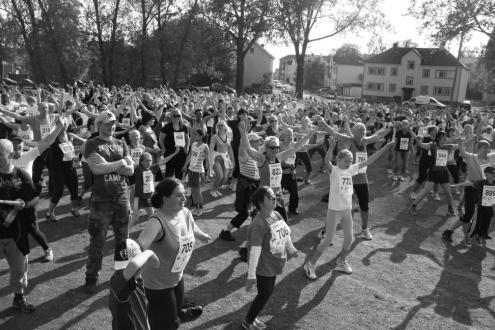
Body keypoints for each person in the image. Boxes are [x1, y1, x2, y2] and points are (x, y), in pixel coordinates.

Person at [304, 137, 395, 278]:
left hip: (347, 210)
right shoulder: (334, 171)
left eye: (350, 161)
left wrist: (384, 148)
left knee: (349, 239)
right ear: (338, 160)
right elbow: (327, 161)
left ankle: (341, 261)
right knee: (327, 240)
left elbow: (368, 161)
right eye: (345, 161)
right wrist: (331, 147)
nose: (348, 163)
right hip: (334, 211)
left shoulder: (351, 170)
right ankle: (310, 265)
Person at [137, 178, 211, 330]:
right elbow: (139, 248)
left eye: (184, 194)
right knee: (166, 324)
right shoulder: (156, 222)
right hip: (157, 284)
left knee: (175, 313)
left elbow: (192, 228)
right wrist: (146, 258)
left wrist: (202, 235)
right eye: (178, 195)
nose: (184, 198)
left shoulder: (185, 213)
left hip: (177, 276)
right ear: (165, 199)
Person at [315, 115, 391, 239]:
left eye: (364, 129)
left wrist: (390, 128)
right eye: (360, 129)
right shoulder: (349, 140)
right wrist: (323, 122)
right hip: (348, 177)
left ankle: (365, 228)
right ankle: (325, 231)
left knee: (365, 204)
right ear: (354, 131)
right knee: (338, 206)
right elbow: (334, 132)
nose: (363, 131)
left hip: (361, 177)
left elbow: (378, 136)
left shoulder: (366, 140)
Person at [83, 110, 134, 293]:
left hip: (122, 197)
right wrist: (120, 163)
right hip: (101, 200)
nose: (112, 126)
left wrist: (109, 166)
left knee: (123, 241)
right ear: (99, 125)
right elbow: (96, 170)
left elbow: (131, 171)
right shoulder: (91, 144)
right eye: (107, 123)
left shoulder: (121, 143)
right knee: (97, 241)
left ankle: (122, 275)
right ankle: (91, 276)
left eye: (113, 123)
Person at [243, 186, 299, 330]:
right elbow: (254, 251)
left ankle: (252, 318)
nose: (274, 199)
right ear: (261, 202)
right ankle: (248, 320)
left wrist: (291, 249)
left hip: (273, 262)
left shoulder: (276, 214)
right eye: (270, 197)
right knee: (264, 293)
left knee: (266, 292)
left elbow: (285, 233)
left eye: (274, 196)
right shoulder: (258, 223)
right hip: (263, 265)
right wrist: (251, 275)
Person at [0, 139, 39, 312]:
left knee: (20, 267)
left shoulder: (22, 175)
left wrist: (24, 204)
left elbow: (34, 198)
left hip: (15, 232)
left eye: (0, 153)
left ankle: (18, 298)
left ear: (10, 154)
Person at [442, 139, 492, 244]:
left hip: (484, 190)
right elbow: (463, 152)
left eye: (487, 148)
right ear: (478, 149)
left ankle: (477, 234)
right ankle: (448, 231)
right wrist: (460, 144)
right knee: (468, 214)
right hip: (471, 189)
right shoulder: (472, 157)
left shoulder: (490, 159)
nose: (486, 150)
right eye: (484, 148)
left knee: (484, 213)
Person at [109, 238, 159, 330]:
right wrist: (149, 252)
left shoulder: (137, 278)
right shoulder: (117, 281)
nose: (138, 270)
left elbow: (142, 310)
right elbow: (133, 266)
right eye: (125, 267)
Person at [409, 131, 457, 216]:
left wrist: (469, 140)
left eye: (446, 138)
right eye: (444, 138)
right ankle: (413, 206)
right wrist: (418, 140)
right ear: (439, 138)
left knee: (448, 193)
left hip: (444, 173)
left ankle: (450, 208)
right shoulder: (433, 146)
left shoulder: (448, 147)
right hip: (433, 172)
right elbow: (421, 145)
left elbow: (460, 145)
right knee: (426, 191)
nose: (445, 139)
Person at [182, 129, 209, 216]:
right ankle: (195, 207)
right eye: (193, 135)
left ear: (201, 136)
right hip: (191, 170)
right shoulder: (193, 144)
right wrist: (185, 165)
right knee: (193, 190)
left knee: (198, 191)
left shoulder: (205, 147)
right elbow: (189, 155)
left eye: (196, 135)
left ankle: (200, 208)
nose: (194, 136)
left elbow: (208, 161)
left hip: (198, 172)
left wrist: (207, 173)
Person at [159, 109, 189, 179]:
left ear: (181, 117)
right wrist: (163, 148)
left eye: (178, 116)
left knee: (179, 173)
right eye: (174, 116)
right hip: (170, 153)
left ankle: (178, 188)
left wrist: (186, 149)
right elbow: (161, 139)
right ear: (171, 117)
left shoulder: (184, 127)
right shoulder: (166, 127)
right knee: (169, 173)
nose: (176, 117)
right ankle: (169, 189)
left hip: (181, 153)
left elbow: (187, 139)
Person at [209, 120, 235, 197]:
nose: (220, 127)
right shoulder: (214, 136)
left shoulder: (228, 136)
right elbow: (211, 148)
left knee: (225, 178)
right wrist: (209, 159)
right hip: (216, 157)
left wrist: (233, 160)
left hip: (225, 157)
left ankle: (216, 189)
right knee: (220, 176)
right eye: (218, 125)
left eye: (221, 125)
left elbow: (230, 149)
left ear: (225, 127)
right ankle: (213, 191)